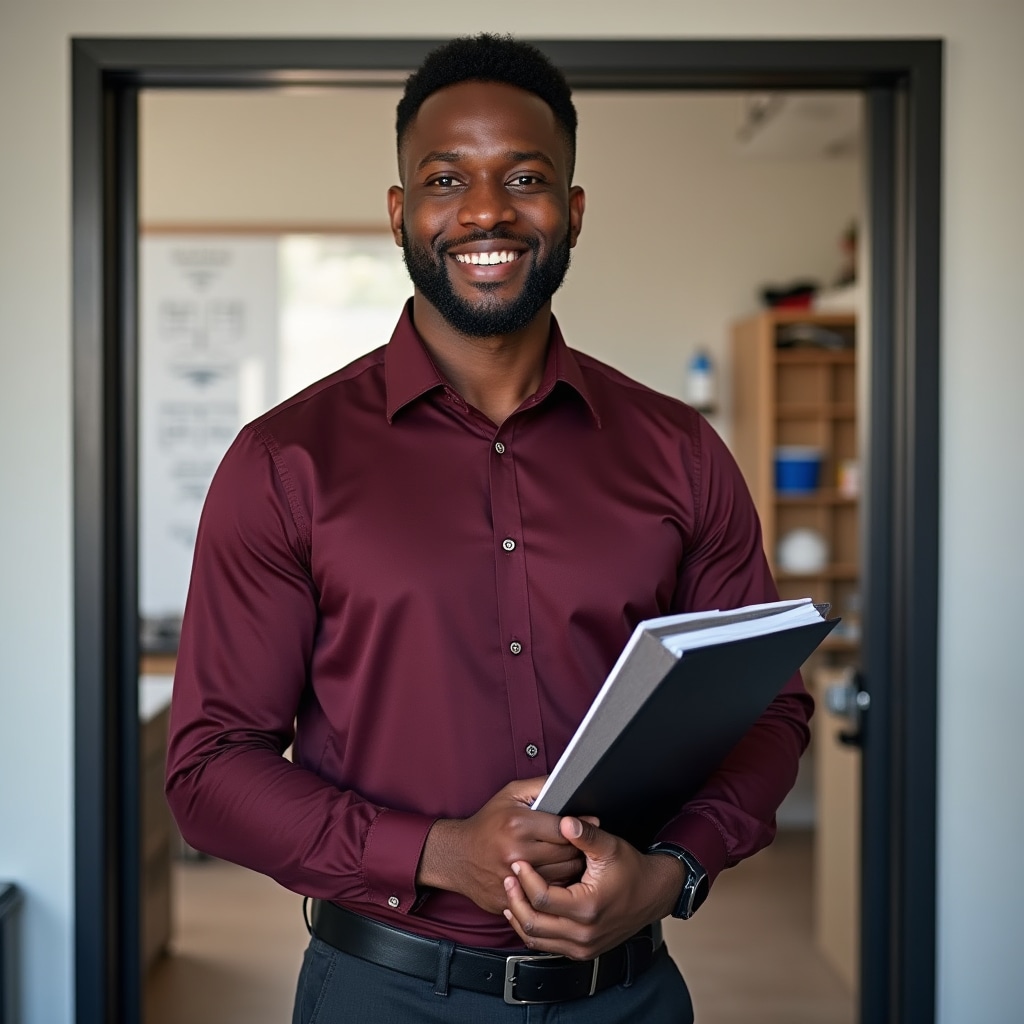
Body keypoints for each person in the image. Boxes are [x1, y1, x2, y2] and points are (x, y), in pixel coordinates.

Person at [165, 33, 813, 1024]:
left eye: (523, 177)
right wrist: (436, 853)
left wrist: (671, 870)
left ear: (572, 211)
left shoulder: (680, 451)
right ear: (399, 214)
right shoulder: (283, 463)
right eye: (444, 178)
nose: (484, 210)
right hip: (380, 995)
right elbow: (209, 768)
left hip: (630, 996)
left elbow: (769, 706)